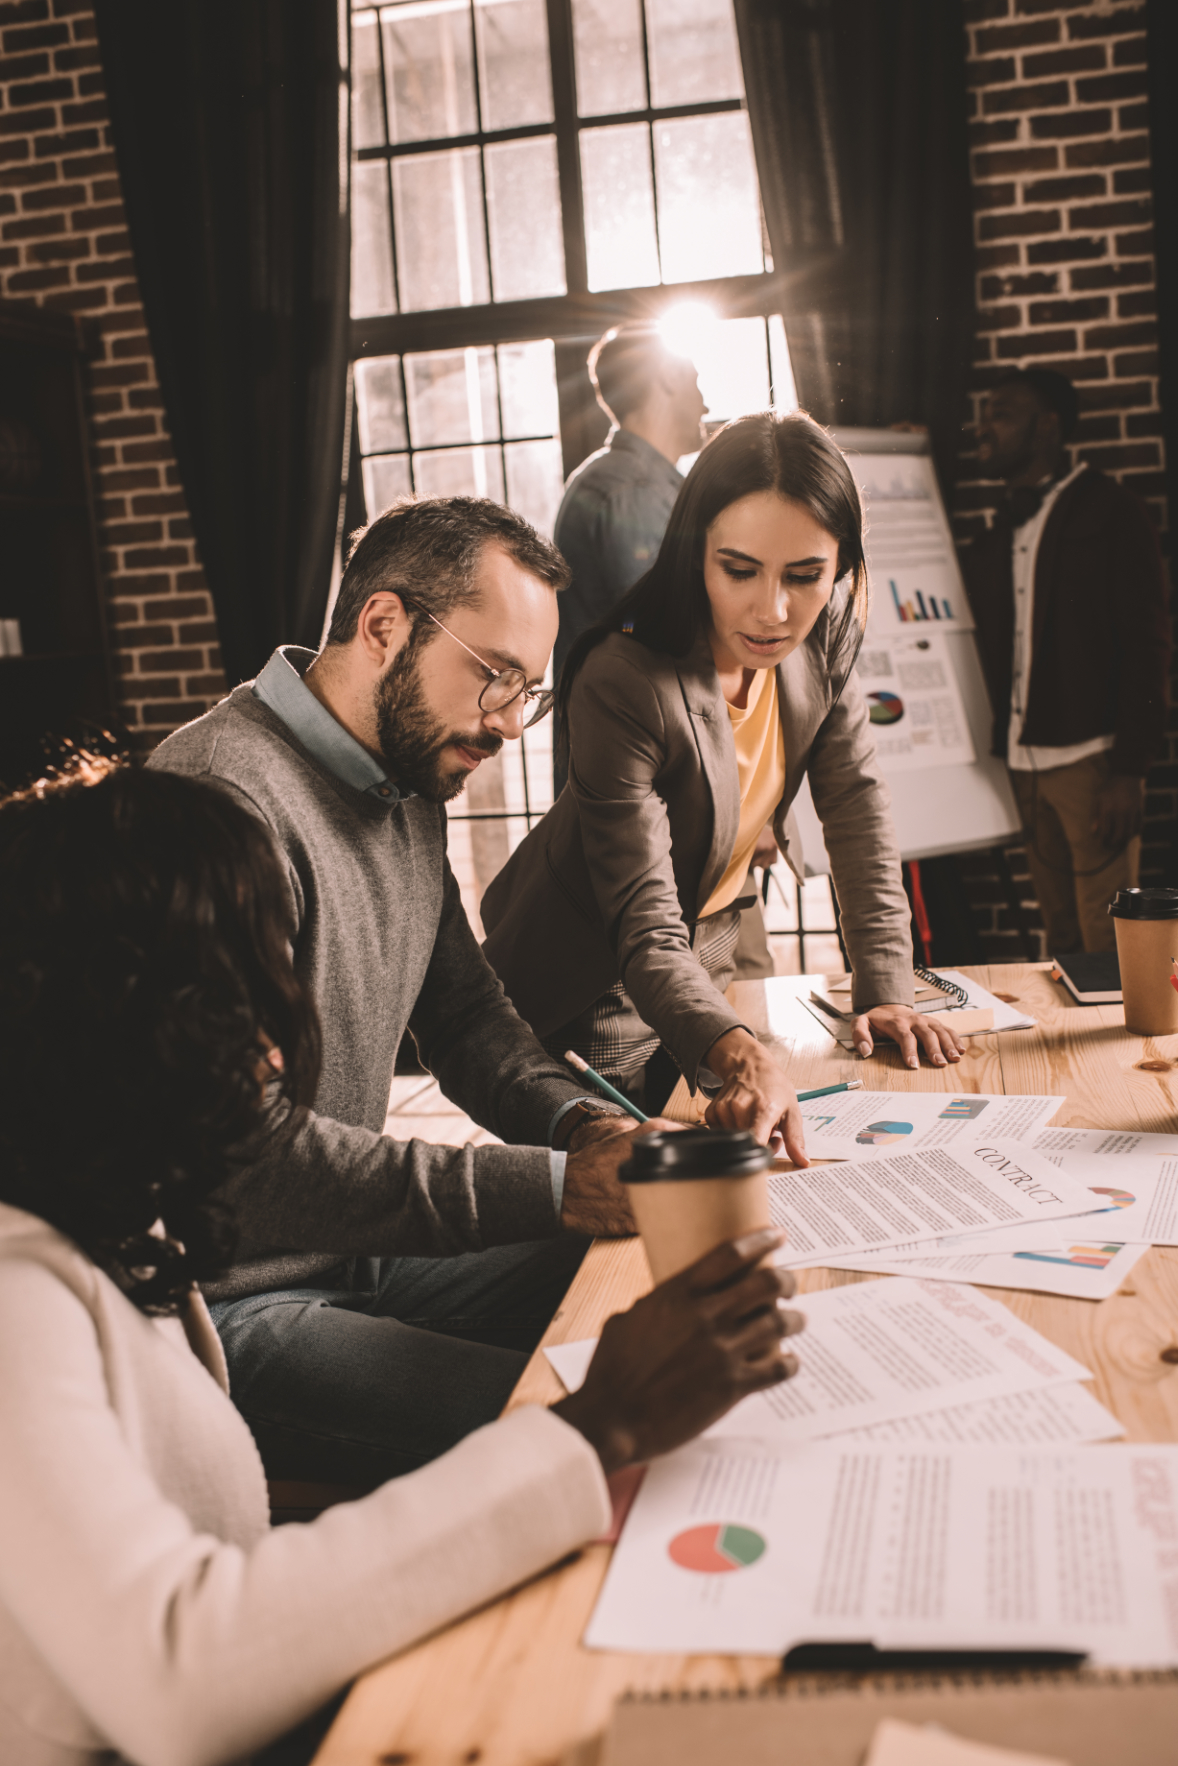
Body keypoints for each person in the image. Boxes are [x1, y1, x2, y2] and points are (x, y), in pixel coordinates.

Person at [0, 763, 802, 1766]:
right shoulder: (17, 1299)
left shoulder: (111, 1217)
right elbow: (179, 1677)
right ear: (110, 1019)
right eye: (241, 996)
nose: (277, 1055)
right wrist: (596, 1422)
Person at [149, 497, 676, 1488]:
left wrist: (586, 1132)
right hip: (228, 1307)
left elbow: (468, 1018)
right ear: (382, 625)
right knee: (585, 1432)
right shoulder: (217, 801)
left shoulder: (401, 778)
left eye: (530, 692)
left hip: (354, 1251)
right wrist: (559, 1187)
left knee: (674, 1244)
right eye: (495, 678)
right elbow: (246, 1158)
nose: (512, 724)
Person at [482, 412, 964, 1159]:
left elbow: (856, 807)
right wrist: (740, 1054)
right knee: (623, 1213)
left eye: (805, 576)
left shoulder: (827, 634)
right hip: (595, 983)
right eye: (739, 570)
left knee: (752, 1173)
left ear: (839, 566)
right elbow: (642, 926)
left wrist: (886, 989)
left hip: (708, 944)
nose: (773, 611)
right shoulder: (625, 676)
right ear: (693, 554)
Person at [965, 368, 1170, 956]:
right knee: (1060, 942)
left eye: (1001, 414)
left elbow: (1148, 643)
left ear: (1047, 427)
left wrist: (1129, 768)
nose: (984, 429)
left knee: (1108, 943)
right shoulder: (1003, 525)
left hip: (1093, 766)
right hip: (1023, 767)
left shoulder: (1112, 510)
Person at [553, 324, 707, 715]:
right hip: (639, 739)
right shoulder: (634, 491)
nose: (705, 405)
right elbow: (669, 634)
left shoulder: (617, 481)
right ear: (669, 378)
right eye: (696, 382)